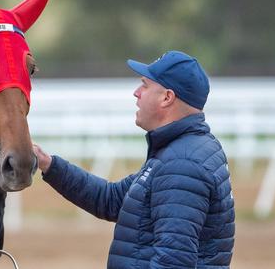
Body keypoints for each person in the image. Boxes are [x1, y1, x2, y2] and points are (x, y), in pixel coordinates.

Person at [33, 51, 235, 268]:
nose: (136, 93)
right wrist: (47, 162)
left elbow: (173, 262)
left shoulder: (182, 164)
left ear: (167, 97)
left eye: (145, 85)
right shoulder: (178, 152)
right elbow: (109, 200)